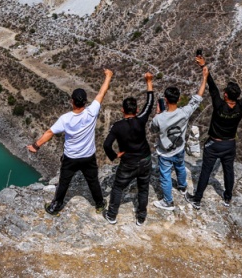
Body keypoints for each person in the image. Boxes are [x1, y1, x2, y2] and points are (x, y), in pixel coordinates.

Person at [186, 55, 242, 209]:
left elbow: (211, 87)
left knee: (206, 171)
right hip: (230, 144)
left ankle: (197, 199)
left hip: (213, 144)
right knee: (228, 171)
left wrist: (203, 66)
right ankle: (227, 198)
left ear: (225, 95)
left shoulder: (219, 105)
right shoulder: (241, 106)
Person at [27, 69, 114, 215]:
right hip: (88, 156)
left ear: (72, 101)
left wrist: (36, 146)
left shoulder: (65, 119)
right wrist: (108, 76)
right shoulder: (92, 111)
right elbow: (101, 93)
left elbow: (49, 132)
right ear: (85, 102)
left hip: (71, 158)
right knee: (93, 181)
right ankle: (99, 205)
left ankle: (55, 207)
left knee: (64, 182)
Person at [101, 72, 157, 225]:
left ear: (122, 110)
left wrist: (114, 156)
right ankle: (141, 217)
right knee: (143, 188)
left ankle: (112, 215)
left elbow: (106, 145)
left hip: (128, 163)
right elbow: (150, 103)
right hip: (145, 159)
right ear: (136, 110)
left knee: (118, 188)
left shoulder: (117, 127)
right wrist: (149, 81)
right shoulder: (141, 120)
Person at [152, 62, 208, 211]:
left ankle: (168, 202)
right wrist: (204, 78)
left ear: (165, 99)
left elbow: (153, 130)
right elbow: (198, 98)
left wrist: (158, 113)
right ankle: (183, 187)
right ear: (178, 99)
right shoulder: (185, 112)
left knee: (165, 176)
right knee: (180, 167)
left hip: (165, 152)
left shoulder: (159, 118)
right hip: (179, 149)